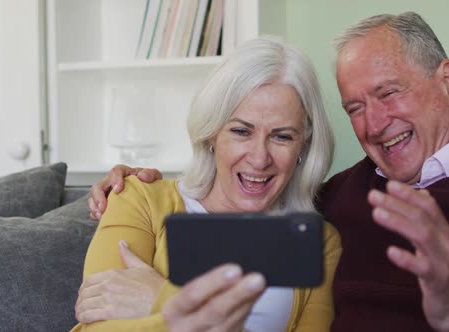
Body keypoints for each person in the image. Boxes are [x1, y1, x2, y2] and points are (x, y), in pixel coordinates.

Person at [89, 12, 449, 332]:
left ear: (448, 84)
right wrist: (134, 184)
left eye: (389, 93)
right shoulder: (339, 202)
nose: (373, 124)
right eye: (354, 107)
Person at [73, 37, 341, 331]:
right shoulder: (138, 199)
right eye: (241, 131)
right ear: (212, 133)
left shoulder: (319, 243)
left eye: (282, 136)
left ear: (304, 145)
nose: (259, 158)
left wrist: (167, 302)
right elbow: (97, 327)